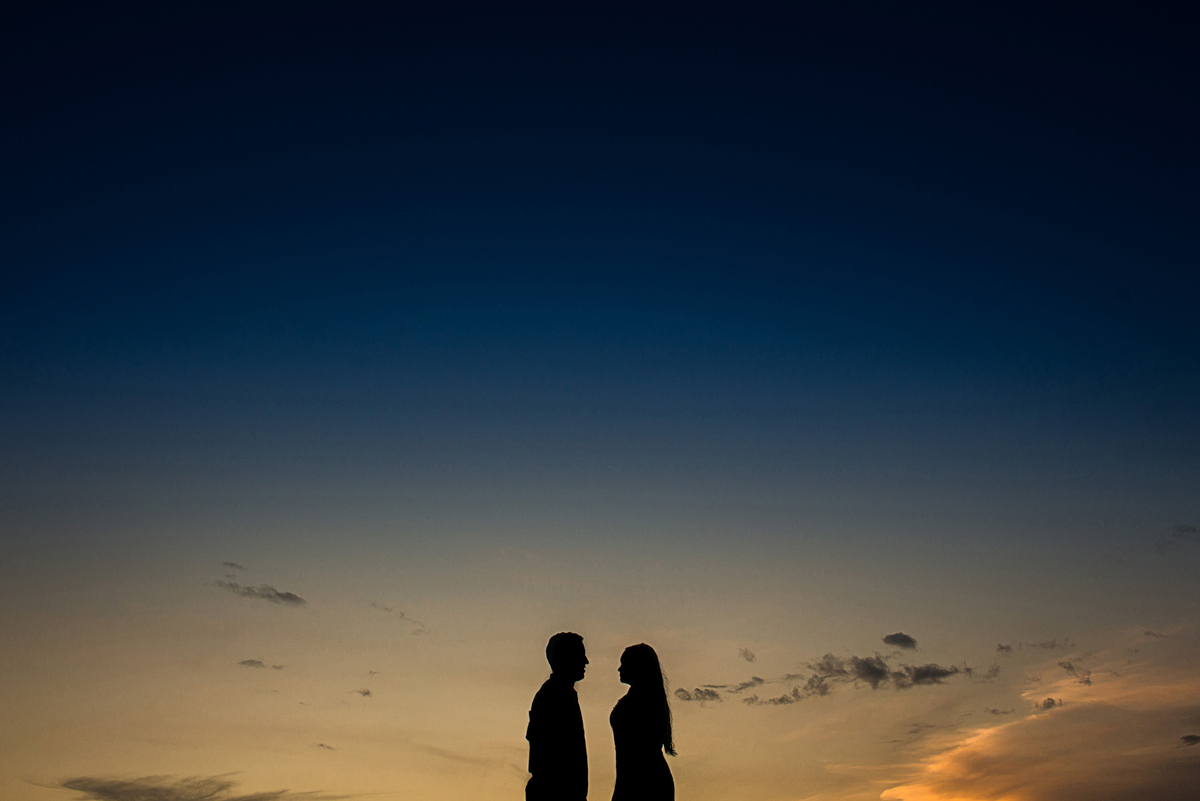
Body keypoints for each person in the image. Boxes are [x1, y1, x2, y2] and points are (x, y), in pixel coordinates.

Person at [526, 632, 589, 801]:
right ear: (565, 658)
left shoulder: (561, 694)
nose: (586, 661)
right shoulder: (554, 697)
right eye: (580, 655)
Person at [610, 643, 675, 801]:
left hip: (644, 781)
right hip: (640, 778)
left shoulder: (642, 703)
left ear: (638, 667)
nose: (619, 669)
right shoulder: (640, 699)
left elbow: (635, 755)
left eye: (624, 664)